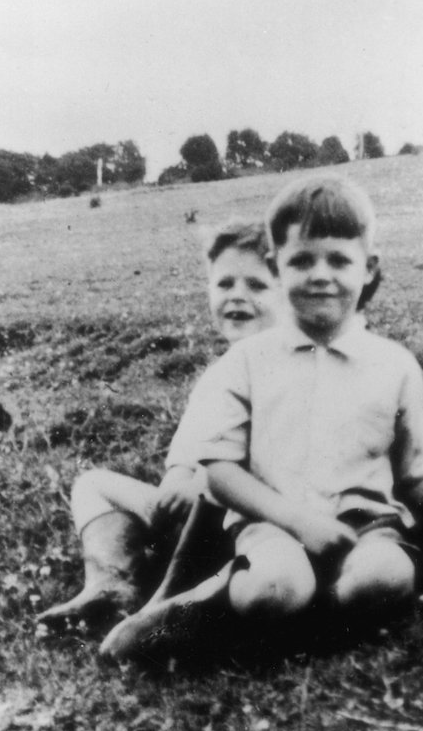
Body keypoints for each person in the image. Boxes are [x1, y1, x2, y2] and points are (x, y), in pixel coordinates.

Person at [100, 176, 423, 659]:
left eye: (339, 260)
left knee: (385, 578)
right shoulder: (247, 362)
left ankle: (304, 617)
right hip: (272, 525)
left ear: (368, 268)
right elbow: (220, 474)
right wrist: (299, 522)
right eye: (302, 261)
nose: (320, 275)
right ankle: (201, 609)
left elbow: (418, 478)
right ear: (275, 267)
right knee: (274, 587)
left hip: (366, 527)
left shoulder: (395, 365)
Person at [37, 220, 282, 622]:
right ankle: (112, 584)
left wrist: (202, 486)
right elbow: (186, 453)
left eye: (257, 285)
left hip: (254, 523)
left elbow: (277, 461)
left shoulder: (286, 370)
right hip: (194, 516)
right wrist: (176, 484)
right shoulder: (218, 376)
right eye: (224, 284)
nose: (237, 296)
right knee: (92, 485)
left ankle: (192, 593)